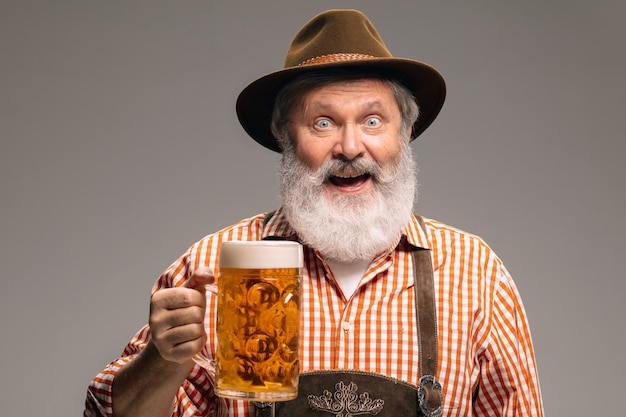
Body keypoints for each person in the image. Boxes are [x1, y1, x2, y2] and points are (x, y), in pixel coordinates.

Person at [85, 9, 544, 417]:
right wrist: (161, 361)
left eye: (372, 121)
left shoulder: (474, 272)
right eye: (322, 123)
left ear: (404, 133)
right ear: (285, 136)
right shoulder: (215, 266)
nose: (348, 147)